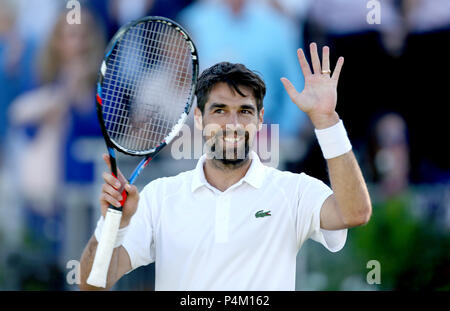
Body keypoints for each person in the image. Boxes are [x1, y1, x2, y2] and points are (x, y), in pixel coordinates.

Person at [79, 43, 372, 291]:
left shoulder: (292, 191)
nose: (232, 124)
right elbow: (92, 284)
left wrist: (326, 120)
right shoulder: (160, 197)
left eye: (244, 111)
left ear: (260, 120)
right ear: (198, 117)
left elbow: (355, 212)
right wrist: (113, 224)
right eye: (219, 110)